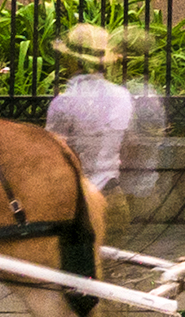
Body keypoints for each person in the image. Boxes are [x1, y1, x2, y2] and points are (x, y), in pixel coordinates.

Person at [44, 22, 155, 208]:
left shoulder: (64, 103)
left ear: (74, 61)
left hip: (74, 201)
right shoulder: (122, 96)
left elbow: (52, 153)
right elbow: (131, 144)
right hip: (112, 197)